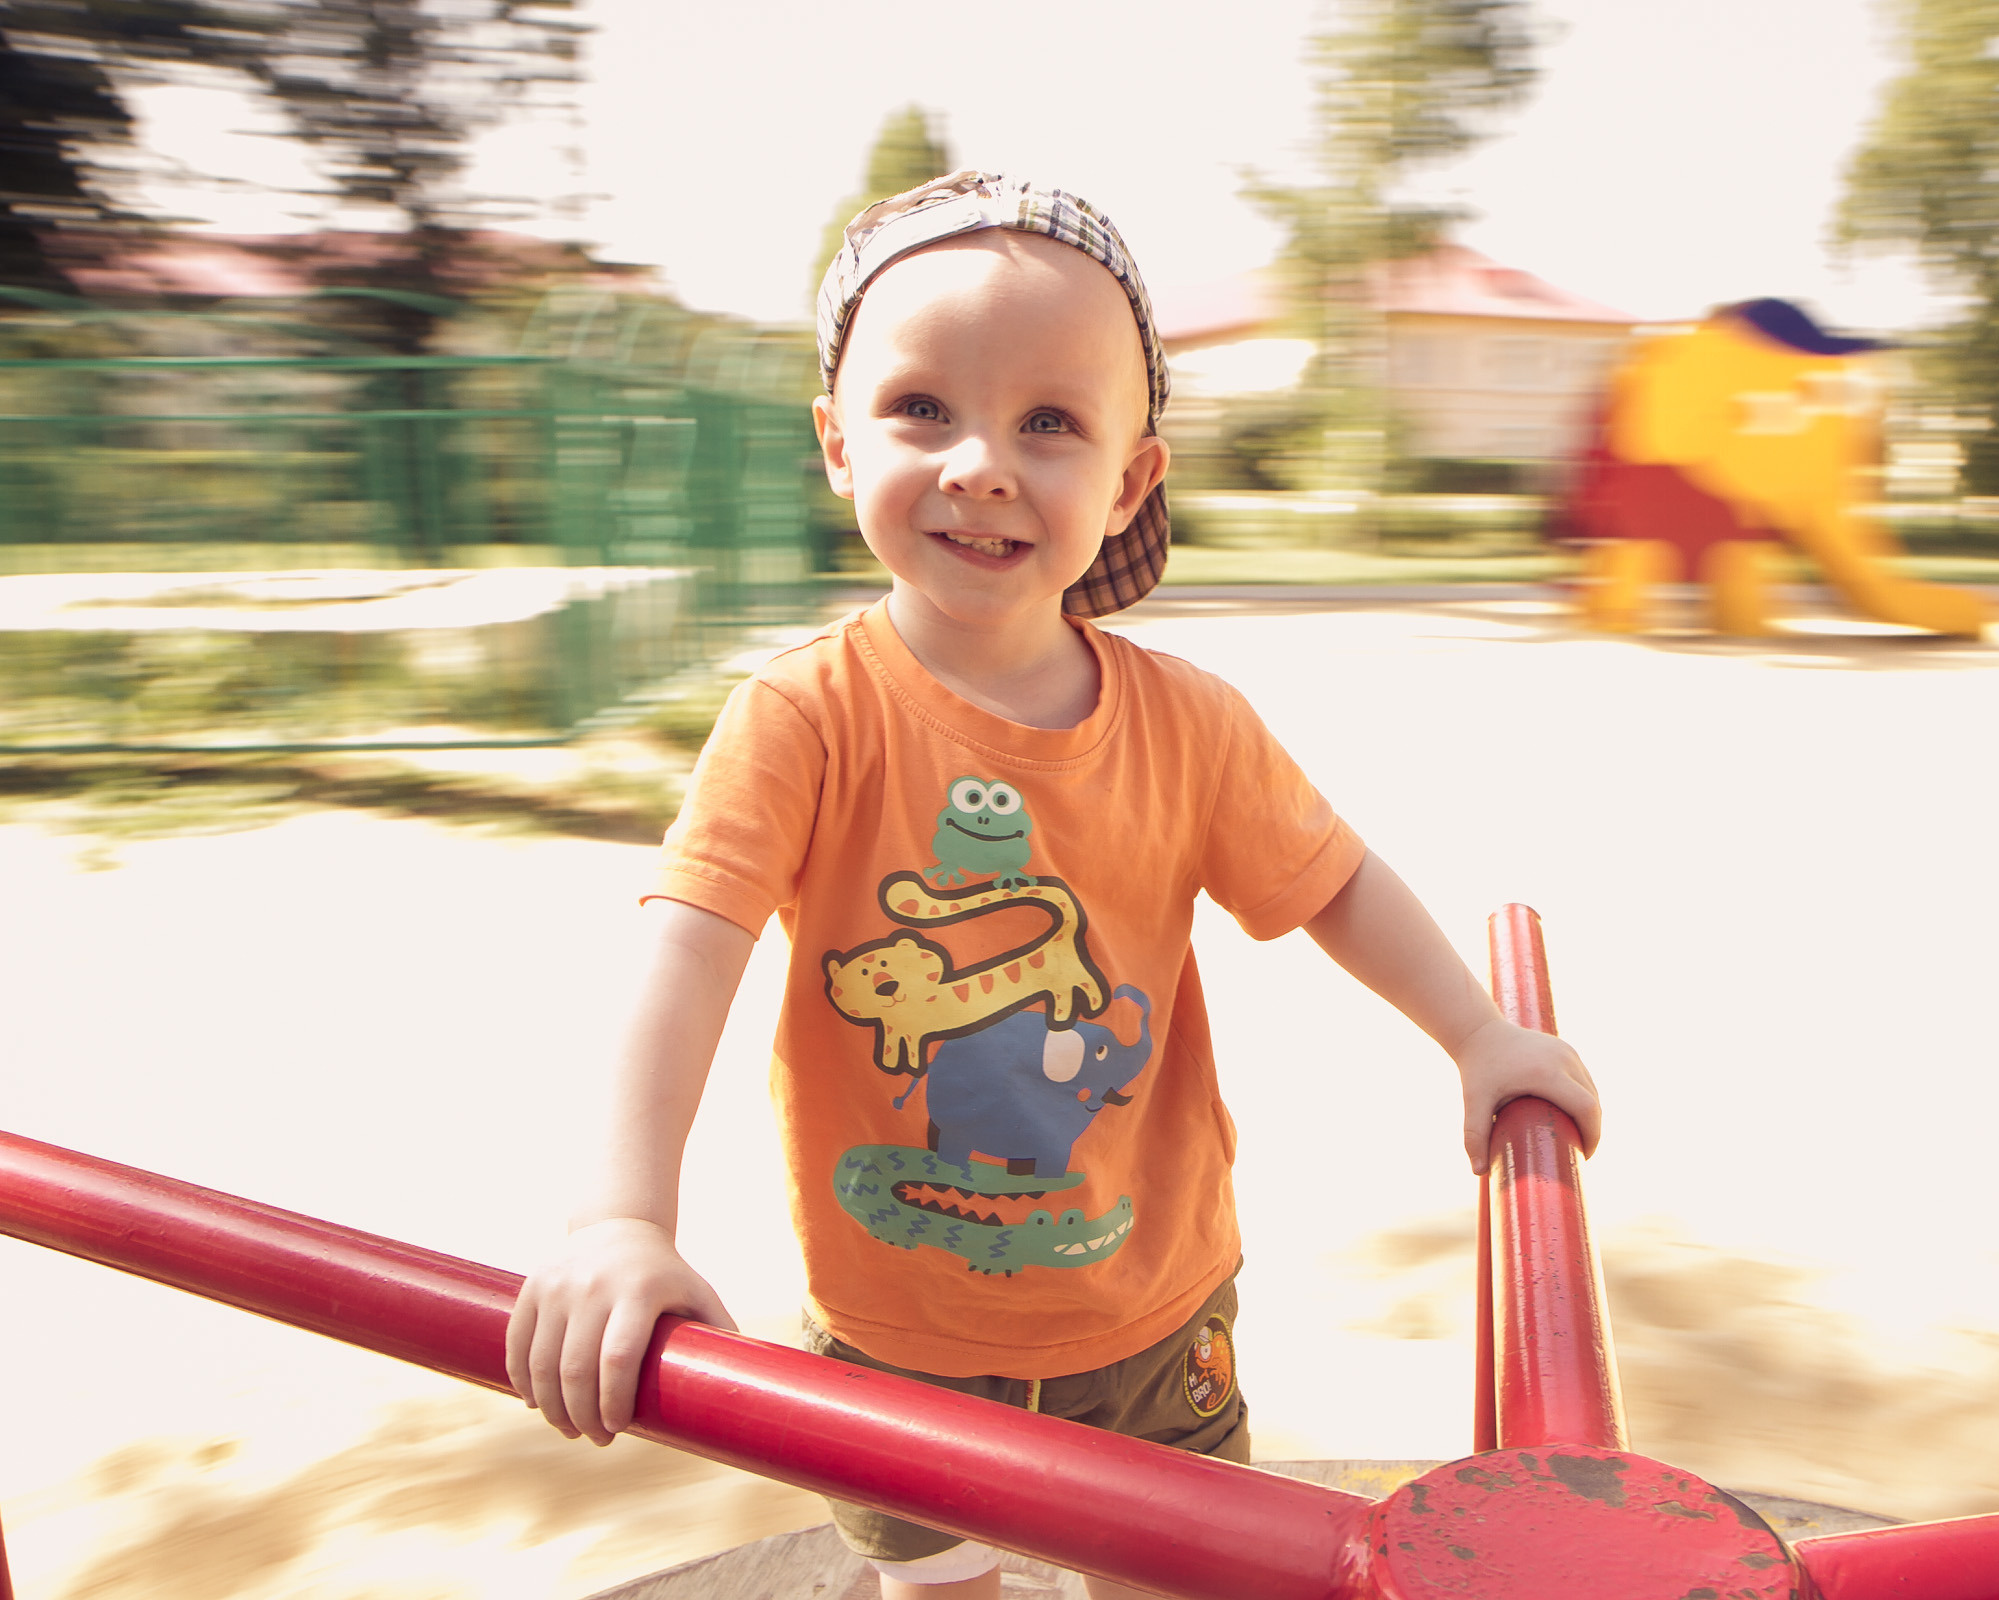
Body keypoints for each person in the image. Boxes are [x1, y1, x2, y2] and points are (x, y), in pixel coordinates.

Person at [505, 171, 1599, 1600]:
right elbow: (685, 953)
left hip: (1152, 1317)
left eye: (1049, 422)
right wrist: (619, 1225)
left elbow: (1332, 881)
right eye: (922, 410)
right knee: (938, 1584)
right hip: (898, 1324)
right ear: (838, 443)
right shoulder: (804, 718)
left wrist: (1477, 1035)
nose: (980, 464)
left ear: (1130, 478)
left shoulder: (1188, 724)